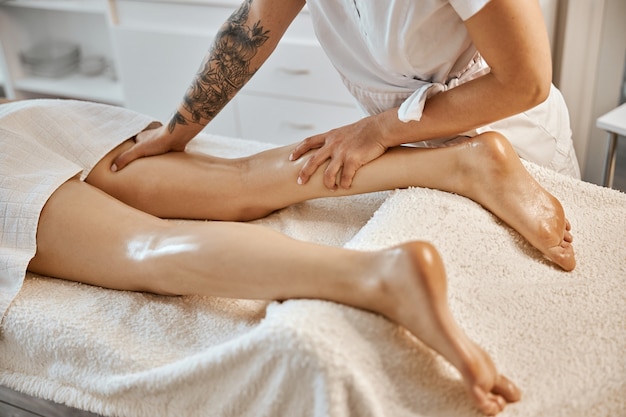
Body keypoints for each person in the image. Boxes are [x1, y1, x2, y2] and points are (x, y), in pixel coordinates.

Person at [1, 98, 574, 415]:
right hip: (24, 115)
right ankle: (458, 162)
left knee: (145, 246)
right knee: (240, 180)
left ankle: (379, 276)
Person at [110, 0, 581, 192]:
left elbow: (524, 81)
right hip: (406, 151)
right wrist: (178, 129)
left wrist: (379, 129)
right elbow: (249, 31)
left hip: (508, 132)